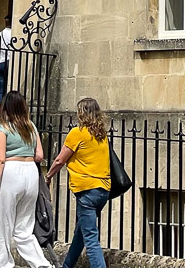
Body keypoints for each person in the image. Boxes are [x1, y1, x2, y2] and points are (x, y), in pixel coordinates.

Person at [0, 90, 52, 268]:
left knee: (3, 225)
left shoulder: (3, 129)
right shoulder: (31, 127)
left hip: (12, 171)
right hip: (30, 172)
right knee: (24, 228)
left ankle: (3, 264)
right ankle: (42, 264)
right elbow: (39, 155)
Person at [46, 96, 111, 268]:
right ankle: (67, 265)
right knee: (81, 233)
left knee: (90, 238)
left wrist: (48, 176)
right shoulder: (102, 135)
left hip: (87, 190)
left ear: (82, 113)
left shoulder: (77, 133)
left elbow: (60, 160)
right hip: (103, 190)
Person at [0, 16, 15, 107]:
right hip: (9, 61)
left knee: (1, 89)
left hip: (1, 62)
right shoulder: (13, 33)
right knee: (11, 87)